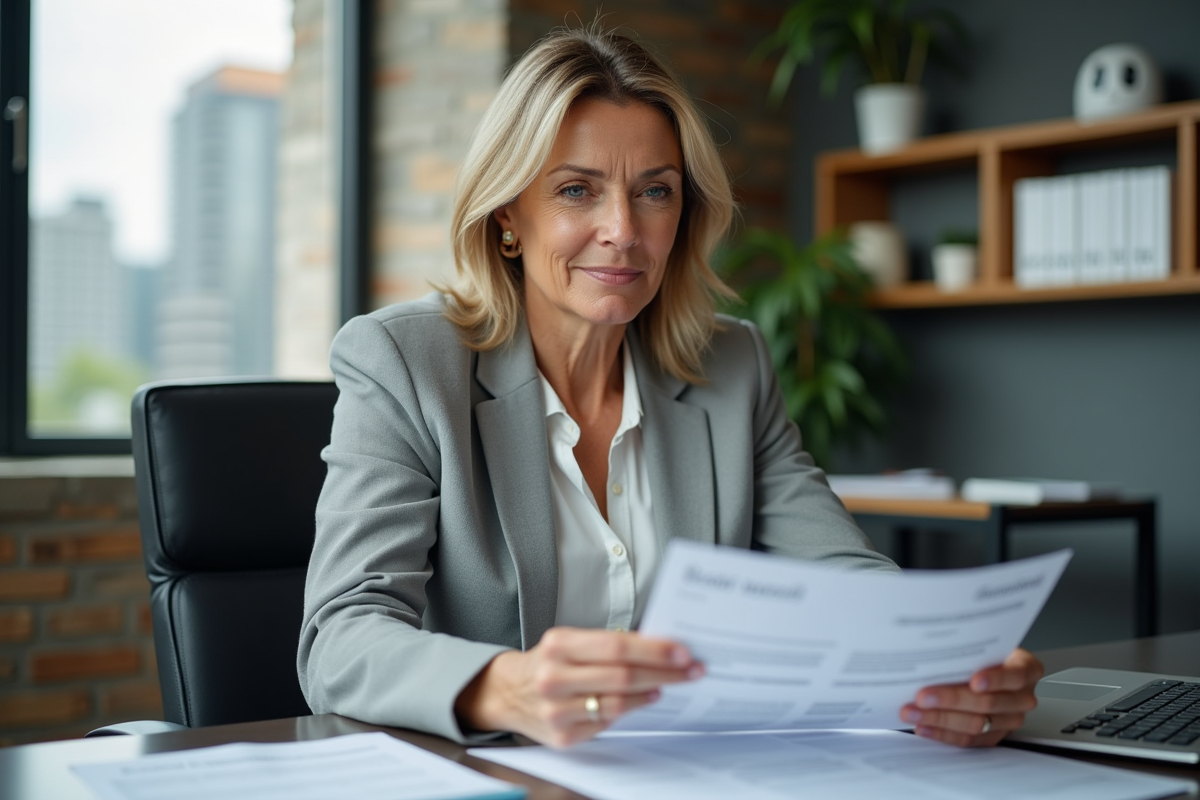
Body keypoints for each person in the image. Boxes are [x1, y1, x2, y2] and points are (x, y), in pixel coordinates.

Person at [297, 25, 1043, 750]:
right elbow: (343, 637)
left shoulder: (733, 366)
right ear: (507, 218)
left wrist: (945, 663)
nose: (623, 229)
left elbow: (838, 572)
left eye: (655, 192)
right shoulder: (404, 361)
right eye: (577, 190)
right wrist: (509, 685)